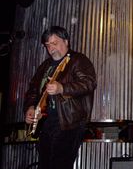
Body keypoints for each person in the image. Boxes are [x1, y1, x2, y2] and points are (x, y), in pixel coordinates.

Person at [24, 26, 97, 169]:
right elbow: (33, 90)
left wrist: (62, 88)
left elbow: (89, 83)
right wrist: (30, 107)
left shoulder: (78, 60)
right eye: (48, 45)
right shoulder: (45, 66)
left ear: (66, 42)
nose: (51, 48)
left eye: (55, 43)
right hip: (46, 124)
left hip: (69, 123)